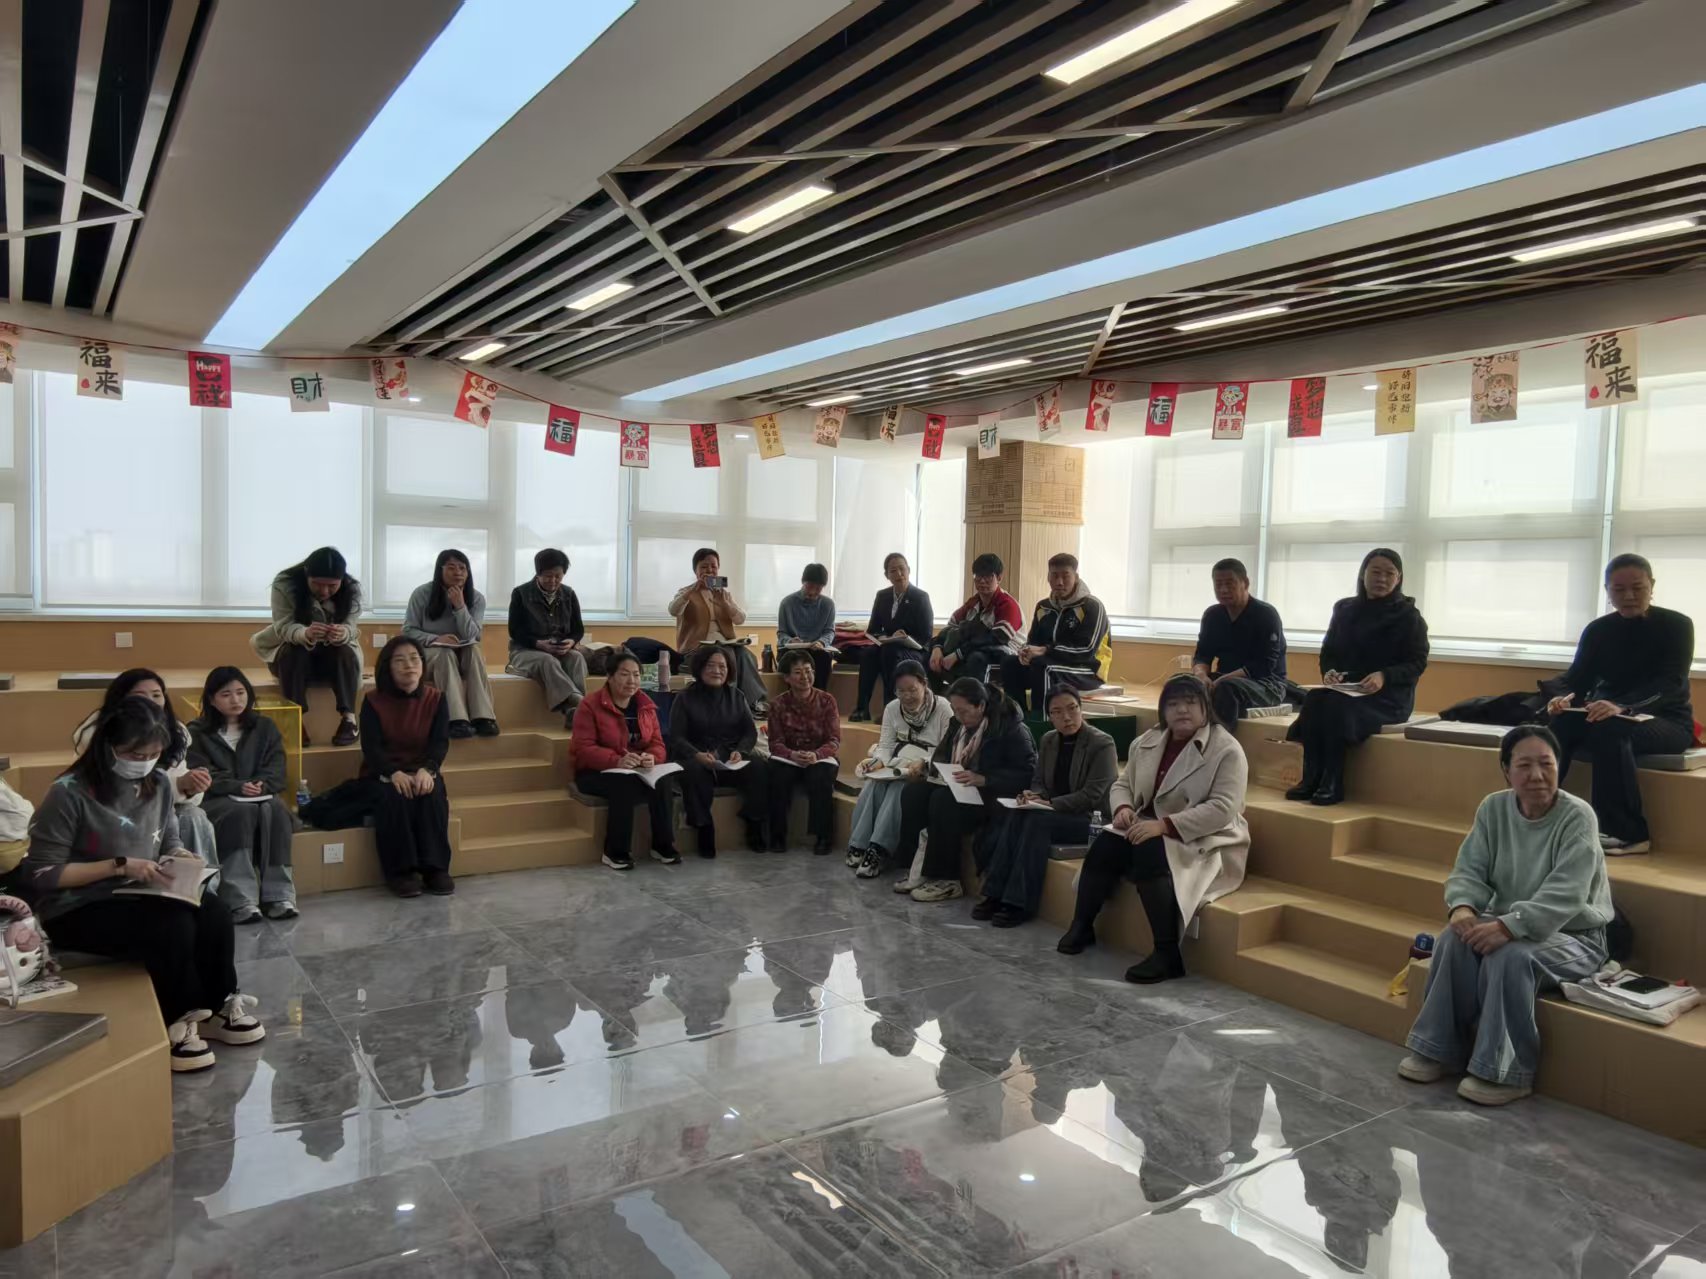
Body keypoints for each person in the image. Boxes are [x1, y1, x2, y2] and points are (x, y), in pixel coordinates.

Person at [23, 698, 265, 1072]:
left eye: (153, 755)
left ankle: (218, 1007)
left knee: (214, 910)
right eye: (135, 754)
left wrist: (181, 857)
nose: (144, 762)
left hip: (141, 893)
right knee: (172, 925)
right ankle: (178, 1020)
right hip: (77, 906)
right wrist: (119, 866)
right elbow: (41, 873)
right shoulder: (69, 792)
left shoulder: (159, 784)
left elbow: (169, 840)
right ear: (108, 746)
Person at [1400, 725, 1613, 1106]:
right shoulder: (1493, 808)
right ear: (1506, 770)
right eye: (1524, 765)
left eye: (1546, 764)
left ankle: (1507, 1073)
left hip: (1576, 938)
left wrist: (1510, 926)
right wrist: (1462, 906)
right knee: (1451, 940)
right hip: (1508, 922)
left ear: (1559, 766)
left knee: (1511, 956)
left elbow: (1566, 893)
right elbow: (1470, 869)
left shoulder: (1578, 817)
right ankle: (1438, 1050)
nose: (1537, 775)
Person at [1059, 674, 1249, 984]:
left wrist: (1164, 826)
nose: (1182, 710)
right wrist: (1122, 808)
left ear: (1206, 708)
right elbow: (1123, 784)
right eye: (1173, 704)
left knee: (1149, 849)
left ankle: (1167, 954)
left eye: (1190, 702)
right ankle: (1082, 925)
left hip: (1205, 835)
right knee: (1106, 843)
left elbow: (1223, 809)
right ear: (1163, 711)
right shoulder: (1148, 740)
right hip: (1146, 822)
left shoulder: (1227, 749)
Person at [1545, 553, 1695, 855]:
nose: (1628, 596)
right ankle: (1538, 814)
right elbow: (1575, 678)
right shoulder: (1598, 630)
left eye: (1638, 588)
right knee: (1560, 723)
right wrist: (1560, 698)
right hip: (1609, 714)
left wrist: (1623, 706)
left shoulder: (1677, 626)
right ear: (1607, 591)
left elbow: (1670, 684)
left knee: (1610, 728)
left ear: (1652, 586)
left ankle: (1628, 832)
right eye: (1619, 589)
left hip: (1667, 721)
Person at [1285, 548, 1429, 806]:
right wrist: (1329, 673)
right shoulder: (1344, 609)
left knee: (1337, 706)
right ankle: (1310, 777)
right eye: (1375, 572)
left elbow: (1417, 662)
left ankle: (1332, 782)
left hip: (1387, 696)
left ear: (1399, 579)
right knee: (1315, 699)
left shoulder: (1409, 616)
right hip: (1349, 688)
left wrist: (1384, 675)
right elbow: (1328, 652)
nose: (1381, 579)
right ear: (1363, 574)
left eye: (1389, 573)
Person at [974, 686, 1118, 926]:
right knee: (1017, 814)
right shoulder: (1049, 739)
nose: (1066, 717)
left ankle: (1020, 902)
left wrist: (1050, 803)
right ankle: (994, 894)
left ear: (1081, 709)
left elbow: (1093, 795)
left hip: (1090, 819)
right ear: (1049, 716)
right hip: (1055, 813)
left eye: (1072, 709)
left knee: (1037, 821)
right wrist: (1034, 795)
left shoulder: (1102, 743)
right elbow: (1039, 780)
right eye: (1057, 712)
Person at [891, 677, 1036, 902]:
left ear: (981, 706)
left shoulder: (1010, 728)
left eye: (964, 711)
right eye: (955, 711)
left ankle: (948, 879)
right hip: (961, 788)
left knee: (943, 800)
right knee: (914, 794)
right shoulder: (957, 723)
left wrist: (985, 779)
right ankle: (917, 869)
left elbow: (1028, 773)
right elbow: (942, 754)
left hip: (993, 796)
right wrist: (933, 768)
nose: (959, 717)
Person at [72, 669, 217, 864]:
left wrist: (190, 787)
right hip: (114, 811)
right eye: (140, 695)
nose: (151, 701)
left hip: (166, 809)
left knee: (193, 815)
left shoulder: (176, 733)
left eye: (157, 695)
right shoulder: (99, 735)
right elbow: (116, 792)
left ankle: (196, 877)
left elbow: (176, 787)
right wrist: (177, 785)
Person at [187, 668, 297, 923]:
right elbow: (199, 772)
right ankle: (241, 900)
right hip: (217, 800)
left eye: (240, 692)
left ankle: (279, 895)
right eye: (226, 694)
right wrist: (236, 787)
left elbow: (277, 767)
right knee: (240, 811)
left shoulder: (264, 726)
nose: (235, 700)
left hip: (260, 797)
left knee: (276, 809)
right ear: (211, 699)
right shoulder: (196, 732)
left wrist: (261, 786)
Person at [360, 637, 454, 897]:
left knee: (432, 793)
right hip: (384, 772)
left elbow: (440, 742)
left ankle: (436, 869)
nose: (409, 665)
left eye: (414, 659)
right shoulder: (373, 701)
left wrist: (428, 769)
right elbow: (371, 748)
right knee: (395, 796)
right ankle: (401, 873)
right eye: (400, 660)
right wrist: (393, 773)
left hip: (422, 769)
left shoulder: (436, 698)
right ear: (388, 667)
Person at [571, 650, 682, 870]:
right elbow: (584, 749)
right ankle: (615, 851)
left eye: (636, 675)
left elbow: (657, 743)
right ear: (610, 677)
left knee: (664, 780)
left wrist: (652, 757)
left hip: (636, 769)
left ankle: (663, 845)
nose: (631, 680)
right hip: (595, 771)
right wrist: (616, 761)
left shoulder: (645, 705)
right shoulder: (590, 705)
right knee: (623, 784)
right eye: (624, 674)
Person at [848, 661, 951, 879]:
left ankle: (879, 849)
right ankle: (859, 844)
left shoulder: (943, 708)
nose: (907, 696)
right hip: (899, 763)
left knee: (897, 789)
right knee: (874, 783)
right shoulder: (892, 708)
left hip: (928, 768)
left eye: (912, 690)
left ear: (924, 684)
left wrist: (924, 762)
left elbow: (946, 750)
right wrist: (877, 762)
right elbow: (885, 745)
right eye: (900, 691)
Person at [251, 546, 362, 747]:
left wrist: (343, 633)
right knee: (295, 651)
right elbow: (282, 626)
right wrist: (304, 634)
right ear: (306, 574)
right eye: (317, 584)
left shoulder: (352, 589)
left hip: (332, 660)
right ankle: (295, 720)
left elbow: (352, 627)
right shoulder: (285, 584)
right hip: (292, 658)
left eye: (332, 586)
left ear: (342, 580)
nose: (325, 591)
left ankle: (349, 720)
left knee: (345, 652)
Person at [668, 646, 771, 857]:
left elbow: (749, 733)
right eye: (711, 666)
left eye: (722, 666)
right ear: (700, 668)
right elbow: (676, 737)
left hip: (729, 758)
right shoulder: (685, 698)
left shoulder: (737, 696)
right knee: (694, 772)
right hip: (695, 757)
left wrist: (740, 751)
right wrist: (696, 754)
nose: (717, 671)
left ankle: (754, 823)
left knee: (759, 768)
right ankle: (704, 827)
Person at [1000, 553, 1112, 715]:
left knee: (1043, 667)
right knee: (1009, 663)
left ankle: (1041, 721)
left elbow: (1086, 651)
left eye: (1065, 576)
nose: (1059, 582)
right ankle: (1017, 719)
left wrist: (1045, 650)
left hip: (1087, 670)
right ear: (1048, 577)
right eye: (1054, 576)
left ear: (1076, 577)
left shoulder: (1092, 606)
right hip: (1050, 664)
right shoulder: (1043, 607)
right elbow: (1033, 642)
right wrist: (1025, 652)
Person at [404, 548, 497, 740]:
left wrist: (460, 606)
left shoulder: (477, 598)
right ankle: (456, 720)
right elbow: (408, 631)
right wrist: (436, 639)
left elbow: (474, 635)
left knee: (474, 649)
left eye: (462, 568)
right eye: (451, 567)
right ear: (440, 570)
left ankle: (483, 717)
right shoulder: (421, 594)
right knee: (444, 653)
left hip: (462, 653)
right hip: (431, 653)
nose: (458, 573)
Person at [669, 547, 768, 714]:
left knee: (745, 655)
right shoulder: (686, 592)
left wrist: (726, 604)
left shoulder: (724, 594)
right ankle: (729, 707)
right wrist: (691, 591)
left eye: (713, 566)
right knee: (726, 655)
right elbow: (673, 610)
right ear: (695, 571)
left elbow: (740, 619)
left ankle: (755, 703)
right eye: (704, 566)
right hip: (696, 648)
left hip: (725, 644)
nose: (709, 570)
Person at [1192, 558, 1291, 724]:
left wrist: (1222, 680)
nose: (1223, 590)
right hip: (1224, 679)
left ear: (1245, 583)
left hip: (1266, 684)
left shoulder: (1266, 614)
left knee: (1226, 688)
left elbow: (1264, 665)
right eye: (1218, 584)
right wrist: (1200, 675)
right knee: (1181, 682)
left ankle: (1219, 737)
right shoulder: (1212, 615)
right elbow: (1202, 654)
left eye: (1229, 584)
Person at [764, 649, 842, 855]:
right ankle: (777, 836)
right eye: (798, 672)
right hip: (789, 758)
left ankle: (823, 837)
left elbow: (834, 740)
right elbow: (775, 743)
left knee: (821, 778)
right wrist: (791, 755)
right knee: (777, 776)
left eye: (808, 671)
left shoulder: (827, 700)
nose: (805, 677)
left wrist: (816, 755)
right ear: (787, 678)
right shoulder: (777, 704)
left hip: (820, 758)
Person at [507, 548, 588, 729]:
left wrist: (571, 641)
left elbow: (578, 629)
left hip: (558, 649)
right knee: (547, 660)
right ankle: (581, 704)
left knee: (576, 658)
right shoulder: (520, 593)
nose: (553, 581)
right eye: (548, 576)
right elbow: (515, 631)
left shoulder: (568, 594)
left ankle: (573, 712)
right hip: (525, 651)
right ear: (538, 573)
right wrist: (538, 644)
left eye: (558, 576)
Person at [850, 552, 934, 722]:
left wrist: (905, 637)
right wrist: (885, 637)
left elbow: (926, 635)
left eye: (902, 569)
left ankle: (890, 709)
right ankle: (862, 708)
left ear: (909, 570)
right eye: (893, 571)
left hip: (914, 650)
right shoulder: (882, 596)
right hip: (888, 645)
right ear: (887, 575)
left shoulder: (921, 597)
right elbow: (873, 629)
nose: (899, 574)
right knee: (867, 654)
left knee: (890, 652)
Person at [929, 553, 1024, 686]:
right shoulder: (973, 603)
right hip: (973, 649)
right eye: (978, 576)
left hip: (1007, 654)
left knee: (975, 658)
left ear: (999, 578)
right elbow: (950, 628)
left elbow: (996, 638)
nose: (982, 581)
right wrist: (937, 648)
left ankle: (973, 698)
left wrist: (958, 654)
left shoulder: (1007, 604)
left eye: (988, 576)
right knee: (931, 656)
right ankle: (939, 695)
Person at [776, 563, 837, 695]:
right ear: (803, 582)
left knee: (823, 657)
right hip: (792, 649)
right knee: (793, 660)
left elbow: (829, 631)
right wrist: (790, 641)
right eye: (810, 586)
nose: (812, 592)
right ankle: (794, 700)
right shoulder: (787, 603)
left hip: (817, 649)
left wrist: (821, 642)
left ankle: (819, 700)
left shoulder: (828, 604)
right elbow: (781, 633)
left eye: (818, 589)